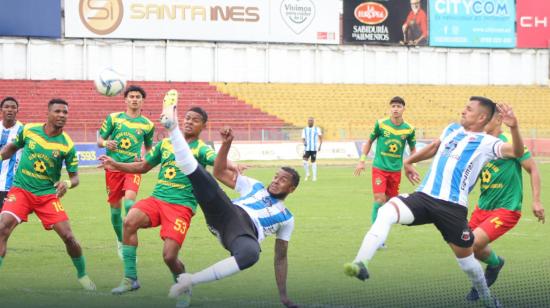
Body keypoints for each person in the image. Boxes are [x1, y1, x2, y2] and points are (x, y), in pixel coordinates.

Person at [345, 97, 526, 308]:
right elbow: (434, 147)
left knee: (467, 263)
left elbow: (517, 152)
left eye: (469, 109)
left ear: (482, 117)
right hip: (424, 197)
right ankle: (361, 262)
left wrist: (514, 128)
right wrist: (409, 161)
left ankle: (488, 299)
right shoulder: (452, 129)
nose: (463, 111)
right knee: (386, 211)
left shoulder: (488, 143)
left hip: (452, 208)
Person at [160, 90, 300, 308]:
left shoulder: (287, 218)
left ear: (291, 189)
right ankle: (173, 129)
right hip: (228, 212)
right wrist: (226, 144)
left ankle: (190, 280)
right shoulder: (253, 185)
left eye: (282, 181)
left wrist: (283, 296)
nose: (275, 181)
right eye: (275, 176)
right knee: (200, 175)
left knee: (252, 254)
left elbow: (280, 257)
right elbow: (219, 173)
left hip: (244, 234)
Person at [98, 107, 216, 299]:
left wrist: (231, 165)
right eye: (186, 118)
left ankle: (183, 288)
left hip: (180, 207)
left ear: (203, 126)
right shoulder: (165, 144)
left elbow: (217, 161)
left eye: (195, 120)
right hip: (157, 199)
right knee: (129, 221)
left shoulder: (201, 148)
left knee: (169, 257)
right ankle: (130, 279)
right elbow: (143, 166)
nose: (188, 122)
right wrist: (115, 164)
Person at [0, 99, 96, 290]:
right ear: (48, 113)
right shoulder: (29, 130)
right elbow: (11, 148)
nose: (62, 115)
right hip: (21, 191)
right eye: (58, 111)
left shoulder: (67, 145)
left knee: (69, 237)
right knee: (2, 228)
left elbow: (75, 177)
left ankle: (83, 275)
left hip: (47, 196)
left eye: (65, 112)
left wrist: (67, 183)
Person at [465, 109, 545, 301]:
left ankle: (482, 287)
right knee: (465, 248)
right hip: (482, 207)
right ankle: (495, 263)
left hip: (506, 209)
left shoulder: (510, 142)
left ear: (499, 119)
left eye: (487, 117)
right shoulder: (480, 142)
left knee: (474, 242)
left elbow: (532, 168)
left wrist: (536, 200)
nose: (482, 121)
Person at [97, 85, 155, 259]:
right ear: (126, 100)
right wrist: (106, 144)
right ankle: (121, 241)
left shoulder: (147, 124)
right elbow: (100, 139)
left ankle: (129, 242)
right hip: (113, 168)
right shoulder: (114, 119)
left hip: (132, 169)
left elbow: (150, 147)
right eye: (131, 96)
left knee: (130, 205)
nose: (135, 99)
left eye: (138, 96)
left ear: (142, 100)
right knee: (115, 211)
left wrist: (144, 158)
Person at [354, 96, 416, 226]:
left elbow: (413, 149)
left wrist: (411, 165)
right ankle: (375, 234)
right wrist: (362, 160)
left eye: (398, 106)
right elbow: (369, 141)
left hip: (395, 171)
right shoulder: (381, 124)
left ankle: (381, 230)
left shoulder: (409, 129)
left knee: (389, 204)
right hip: (379, 168)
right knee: (379, 199)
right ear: (390, 108)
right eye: (393, 106)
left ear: (404, 109)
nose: (395, 109)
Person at [0, 97, 23, 209]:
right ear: (1, 109)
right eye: (6, 107)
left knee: (5, 221)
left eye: (13, 107)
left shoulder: (23, 131)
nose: (10, 110)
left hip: (11, 185)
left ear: (17, 110)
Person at [302, 117, 322, 181]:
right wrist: (304, 142)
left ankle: (314, 177)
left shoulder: (317, 129)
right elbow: (303, 138)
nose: (310, 122)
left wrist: (320, 146)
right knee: (304, 161)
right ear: (307, 122)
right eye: (309, 120)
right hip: (307, 148)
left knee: (313, 162)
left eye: (311, 120)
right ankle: (307, 173)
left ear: (313, 122)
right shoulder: (304, 129)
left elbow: (320, 137)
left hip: (314, 148)